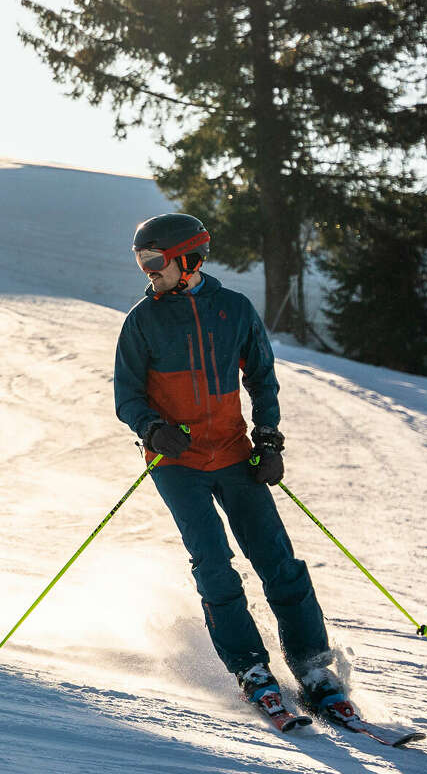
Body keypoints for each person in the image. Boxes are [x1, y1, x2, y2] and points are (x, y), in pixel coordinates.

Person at [113, 212, 354, 722]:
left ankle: (313, 667)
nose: (147, 271)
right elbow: (127, 395)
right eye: (141, 261)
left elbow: (262, 379)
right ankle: (250, 668)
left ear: (187, 258)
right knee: (214, 563)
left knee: (278, 561)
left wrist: (268, 439)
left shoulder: (234, 310)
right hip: (175, 462)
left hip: (232, 453)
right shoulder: (142, 320)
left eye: (154, 260)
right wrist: (152, 429)